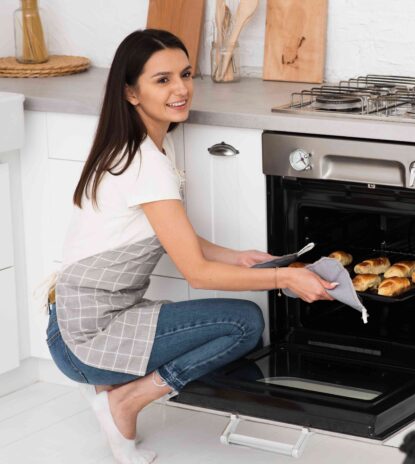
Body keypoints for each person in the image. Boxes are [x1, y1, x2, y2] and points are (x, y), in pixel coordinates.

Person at [43, 29, 336, 464]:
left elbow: (170, 234)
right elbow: (195, 273)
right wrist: (283, 277)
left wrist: (238, 257)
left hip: (69, 325)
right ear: (130, 92)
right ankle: (125, 400)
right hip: (87, 339)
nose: (181, 89)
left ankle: (111, 391)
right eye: (162, 80)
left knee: (236, 314)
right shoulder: (147, 165)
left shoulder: (132, 147)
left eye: (184, 74)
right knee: (243, 324)